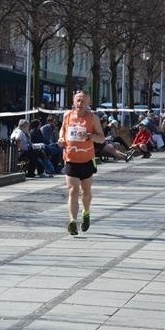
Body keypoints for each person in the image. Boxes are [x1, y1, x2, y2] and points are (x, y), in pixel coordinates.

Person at [58, 91, 105, 235]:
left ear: (88, 103)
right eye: (78, 101)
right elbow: (63, 130)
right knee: (73, 190)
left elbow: (101, 139)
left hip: (87, 160)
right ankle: (72, 221)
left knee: (86, 192)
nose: (80, 104)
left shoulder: (93, 118)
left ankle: (86, 212)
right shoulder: (67, 116)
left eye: (83, 101)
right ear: (73, 102)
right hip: (71, 159)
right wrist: (61, 139)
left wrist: (90, 136)